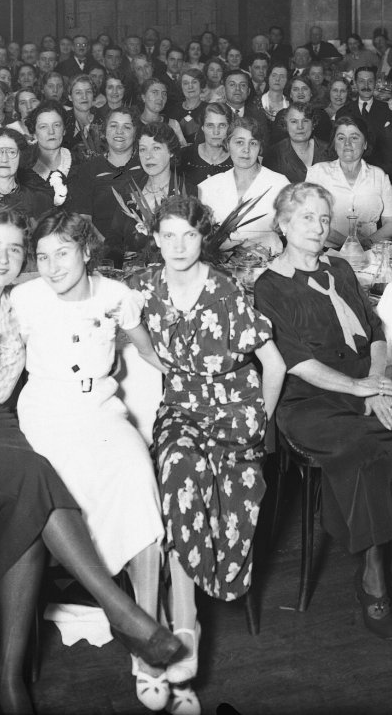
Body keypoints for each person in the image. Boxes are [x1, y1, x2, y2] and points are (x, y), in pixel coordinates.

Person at [0, 208, 183, 712]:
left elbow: (125, 332)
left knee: (32, 510)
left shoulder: (13, 305)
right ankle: (121, 612)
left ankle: (10, 679)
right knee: (33, 482)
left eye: (16, 250)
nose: (6, 258)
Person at [252, 183, 392, 641]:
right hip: (310, 401)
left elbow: (376, 331)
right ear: (282, 224)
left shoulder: (342, 269)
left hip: (367, 387)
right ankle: (372, 579)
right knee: (370, 456)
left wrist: (379, 385)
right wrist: (360, 387)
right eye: (306, 218)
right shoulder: (268, 287)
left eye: (324, 219)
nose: (318, 227)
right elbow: (295, 362)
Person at [10, 212, 171, 709]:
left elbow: (148, 352)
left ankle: (147, 634)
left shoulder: (117, 297)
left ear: (86, 252)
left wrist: (190, 384)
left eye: (63, 253)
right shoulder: (24, 299)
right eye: (42, 256)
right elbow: (0, 363)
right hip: (46, 415)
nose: (52, 266)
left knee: (137, 477)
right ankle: (118, 607)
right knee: (56, 486)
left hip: (101, 410)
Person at [131, 197, 287, 709]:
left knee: (228, 480)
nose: (179, 247)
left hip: (235, 406)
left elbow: (275, 364)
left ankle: (183, 622)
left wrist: (260, 420)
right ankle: (183, 619)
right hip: (182, 406)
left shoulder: (225, 289)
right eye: (169, 236)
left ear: (205, 239)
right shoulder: (145, 288)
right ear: (155, 239)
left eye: (190, 236)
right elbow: (134, 339)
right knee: (178, 470)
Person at [197, 117, 288, 254]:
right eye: (239, 142)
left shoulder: (279, 184)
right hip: (220, 268)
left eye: (253, 143)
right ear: (227, 144)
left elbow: (295, 234)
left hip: (269, 268)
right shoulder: (208, 187)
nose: (246, 150)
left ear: (260, 147)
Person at [306, 116, 392, 248]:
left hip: (370, 251)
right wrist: (350, 244)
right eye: (341, 138)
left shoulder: (379, 176)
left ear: (365, 144)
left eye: (354, 137)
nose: (347, 143)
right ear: (334, 144)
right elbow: (312, 220)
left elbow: (390, 224)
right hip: (327, 252)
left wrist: (367, 243)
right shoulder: (317, 173)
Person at [106, 122, 191, 263]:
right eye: (143, 149)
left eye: (156, 148)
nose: (148, 156)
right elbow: (113, 239)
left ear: (171, 152)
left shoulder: (186, 191)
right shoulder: (129, 189)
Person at [67, 107, 141, 238]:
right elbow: (84, 219)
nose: (119, 131)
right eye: (113, 126)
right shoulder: (88, 169)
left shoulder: (145, 166)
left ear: (135, 133)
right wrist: (106, 248)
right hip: (101, 249)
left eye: (127, 127)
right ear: (105, 131)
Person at [265, 103, 330, 184]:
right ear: (285, 125)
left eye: (305, 121)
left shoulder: (328, 151)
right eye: (294, 121)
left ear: (313, 124)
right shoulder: (274, 154)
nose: (300, 127)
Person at [26, 103, 74, 207]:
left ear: (64, 130)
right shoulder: (22, 167)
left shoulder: (80, 163)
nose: (51, 131)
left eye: (56, 125)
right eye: (43, 127)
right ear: (34, 133)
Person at [178, 102, 233, 190]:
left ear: (229, 128)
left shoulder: (238, 158)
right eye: (210, 126)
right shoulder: (184, 156)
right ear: (202, 128)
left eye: (222, 125)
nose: (216, 132)